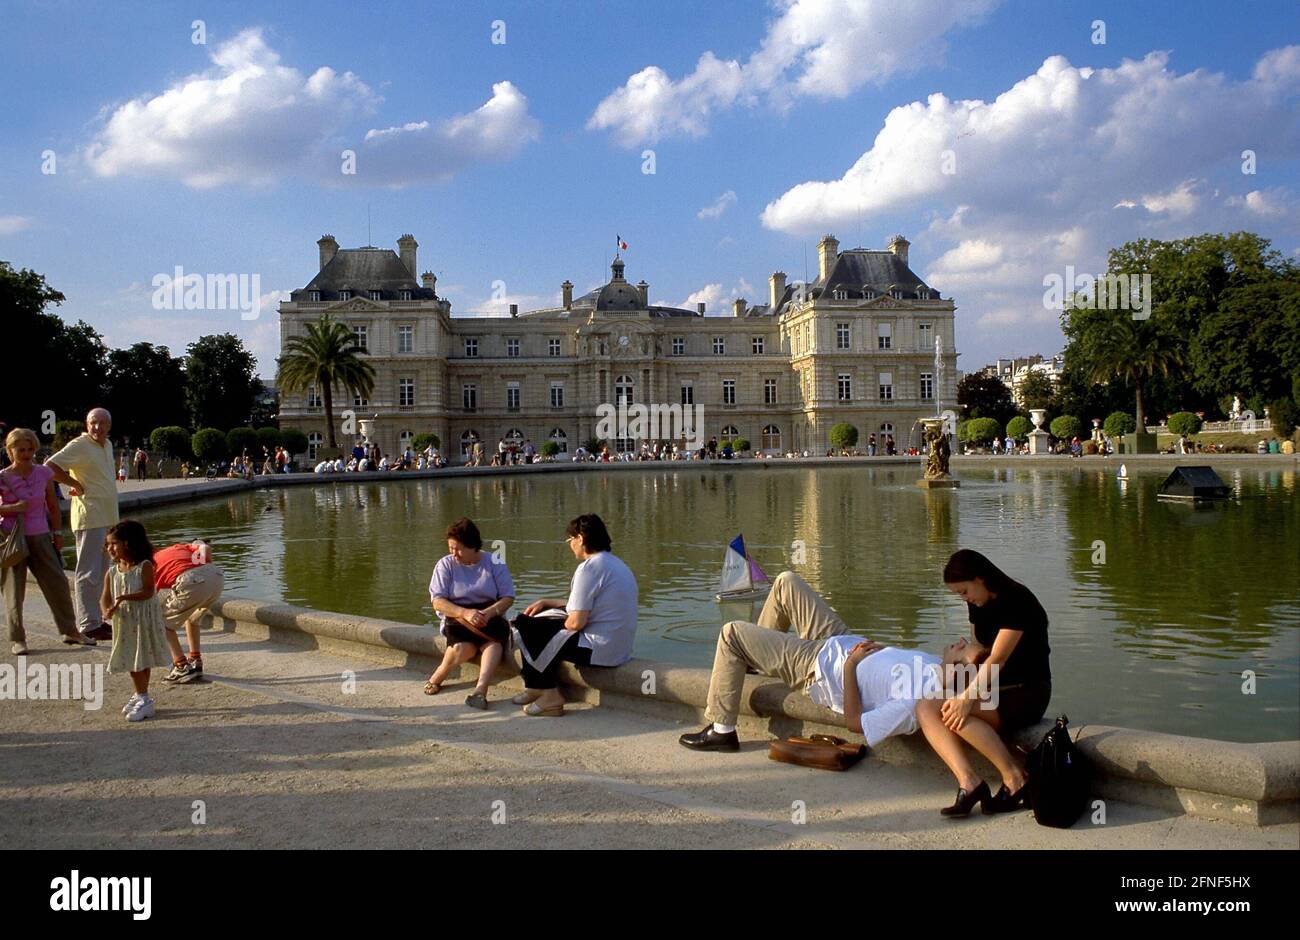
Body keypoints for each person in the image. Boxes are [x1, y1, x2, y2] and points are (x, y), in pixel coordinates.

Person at [679, 570, 990, 753]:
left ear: (962, 671)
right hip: (845, 640)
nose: (960, 642)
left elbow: (858, 724)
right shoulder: (936, 665)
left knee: (730, 633)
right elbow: (892, 670)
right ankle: (756, 655)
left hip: (822, 668)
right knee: (786, 581)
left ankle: (722, 729)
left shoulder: (922, 700)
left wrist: (851, 667)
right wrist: (881, 650)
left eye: (964, 650)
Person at [915, 549, 1052, 817]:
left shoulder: (1017, 600)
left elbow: (998, 658)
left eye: (964, 592)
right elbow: (981, 648)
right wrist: (962, 657)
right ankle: (970, 782)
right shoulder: (978, 603)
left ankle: (1015, 778)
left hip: (1027, 692)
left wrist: (966, 698)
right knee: (925, 707)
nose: (964, 599)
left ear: (980, 578)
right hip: (994, 688)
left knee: (951, 709)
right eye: (959, 595)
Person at [512, 514, 637, 717]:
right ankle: (536, 687)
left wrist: (549, 622)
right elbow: (593, 605)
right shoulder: (616, 564)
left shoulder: (588, 568)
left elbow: (576, 623)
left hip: (597, 647)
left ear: (580, 538)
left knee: (526, 625)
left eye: (571, 540)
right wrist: (548, 604)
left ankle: (549, 694)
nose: (570, 545)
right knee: (541, 621)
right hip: (619, 647)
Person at [1, 428, 97, 653]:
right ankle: (18, 639)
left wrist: (57, 533)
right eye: (20, 450)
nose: (26, 454)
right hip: (12, 537)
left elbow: (53, 506)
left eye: (29, 449)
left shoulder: (43, 473)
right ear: (10, 451)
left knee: (58, 583)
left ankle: (70, 631)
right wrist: (12, 508)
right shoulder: (3, 476)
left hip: (41, 534)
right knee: (14, 590)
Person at [425, 518, 515, 709]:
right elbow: (438, 601)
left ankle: (481, 689)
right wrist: (465, 613)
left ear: (473, 546)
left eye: (458, 549)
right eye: (451, 548)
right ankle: (441, 672)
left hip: (489, 617)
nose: (454, 554)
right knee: (463, 649)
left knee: (493, 646)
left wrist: (488, 613)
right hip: (458, 619)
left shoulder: (494, 562)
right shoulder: (445, 565)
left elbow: (507, 597)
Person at [46, 408, 119, 642]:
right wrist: (73, 481)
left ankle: (96, 620)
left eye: (101, 423)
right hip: (89, 516)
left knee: (101, 571)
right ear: (87, 424)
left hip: (106, 516)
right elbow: (50, 466)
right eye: (92, 423)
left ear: (109, 426)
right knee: (87, 572)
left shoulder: (106, 445)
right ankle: (88, 624)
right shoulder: (80, 444)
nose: (96, 427)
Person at [102, 520, 172, 721]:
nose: (110, 548)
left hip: (142, 620)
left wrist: (124, 598)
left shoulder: (145, 566)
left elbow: (149, 592)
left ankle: (143, 696)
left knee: (140, 658)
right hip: (125, 622)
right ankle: (140, 693)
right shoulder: (113, 570)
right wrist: (106, 610)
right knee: (131, 657)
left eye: (114, 544)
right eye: (108, 545)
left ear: (128, 543)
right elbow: (105, 595)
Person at [154, 539, 224, 683]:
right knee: (192, 619)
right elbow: (206, 548)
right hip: (216, 576)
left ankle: (181, 666)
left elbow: (151, 596)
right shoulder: (180, 547)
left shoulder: (149, 565)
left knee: (160, 622)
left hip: (192, 580)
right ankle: (195, 661)